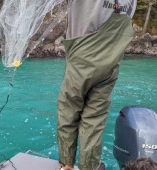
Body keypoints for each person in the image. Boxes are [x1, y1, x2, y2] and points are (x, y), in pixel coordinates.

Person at [57, 0, 137, 170]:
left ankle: (67, 165)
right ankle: (90, 167)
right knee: (94, 121)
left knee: (68, 112)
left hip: (81, 61)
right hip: (111, 65)